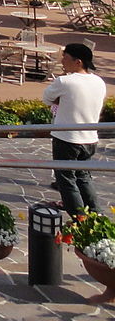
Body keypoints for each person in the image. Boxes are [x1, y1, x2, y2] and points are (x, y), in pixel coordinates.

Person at [43, 43, 106, 217]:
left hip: (67, 138)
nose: (62, 60)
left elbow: (47, 99)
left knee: (66, 180)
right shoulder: (99, 82)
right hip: (90, 138)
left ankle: (79, 219)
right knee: (83, 176)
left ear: (78, 62)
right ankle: (95, 213)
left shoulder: (64, 81)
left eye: (65, 57)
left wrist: (62, 102)